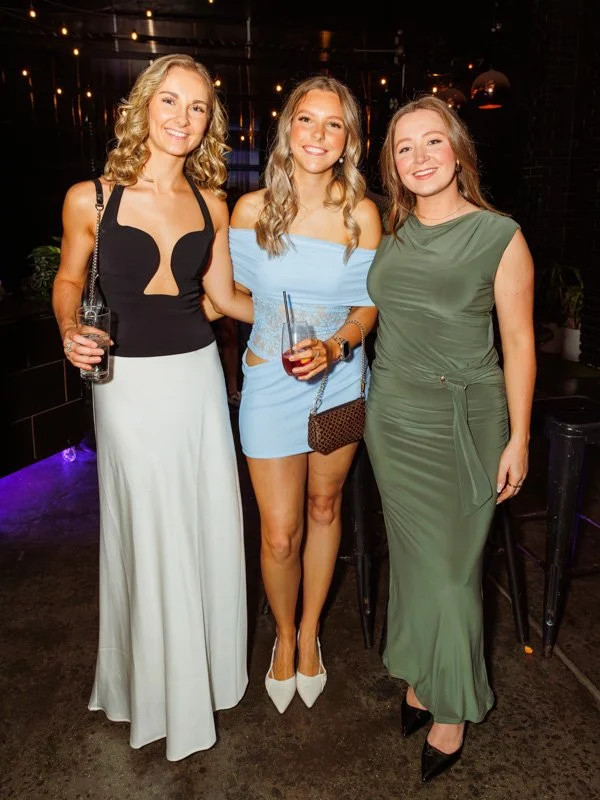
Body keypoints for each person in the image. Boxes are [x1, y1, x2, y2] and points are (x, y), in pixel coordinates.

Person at [52, 53, 254, 761]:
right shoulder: (92, 198)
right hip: (126, 385)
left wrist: (310, 323)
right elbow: (69, 279)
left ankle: (202, 678)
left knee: (202, 521)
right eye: (170, 102)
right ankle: (151, 687)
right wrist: (70, 331)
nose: (183, 118)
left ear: (209, 123)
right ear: (143, 107)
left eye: (197, 108)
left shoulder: (213, 204)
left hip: (198, 377)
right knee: (149, 527)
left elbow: (226, 300)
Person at [364, 95, 536, 782]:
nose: (420, 158)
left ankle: (454, 706)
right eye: (405, 148)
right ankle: (416, 672)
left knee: (452, 573)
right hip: (393, 419)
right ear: (393, 164)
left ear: (458, 150)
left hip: (466, 421)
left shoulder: (499, 235)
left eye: (433, 142)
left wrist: (520, 437)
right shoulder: (391, 231)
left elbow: (520, 343)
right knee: (412, 561)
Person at [229, 76, 381, 713]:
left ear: (349, 139)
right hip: (268, 383)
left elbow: (368, 307)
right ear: (286, 128)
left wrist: (336, 345)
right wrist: (270, 327)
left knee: (325, 510)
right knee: (279, 533)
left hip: (340, 380)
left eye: (334, 124)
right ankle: (283, 637)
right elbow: (227, 295)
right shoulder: (251, 211)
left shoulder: (362, 213)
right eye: (307, 120)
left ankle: (312, 631)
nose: (319, 135)